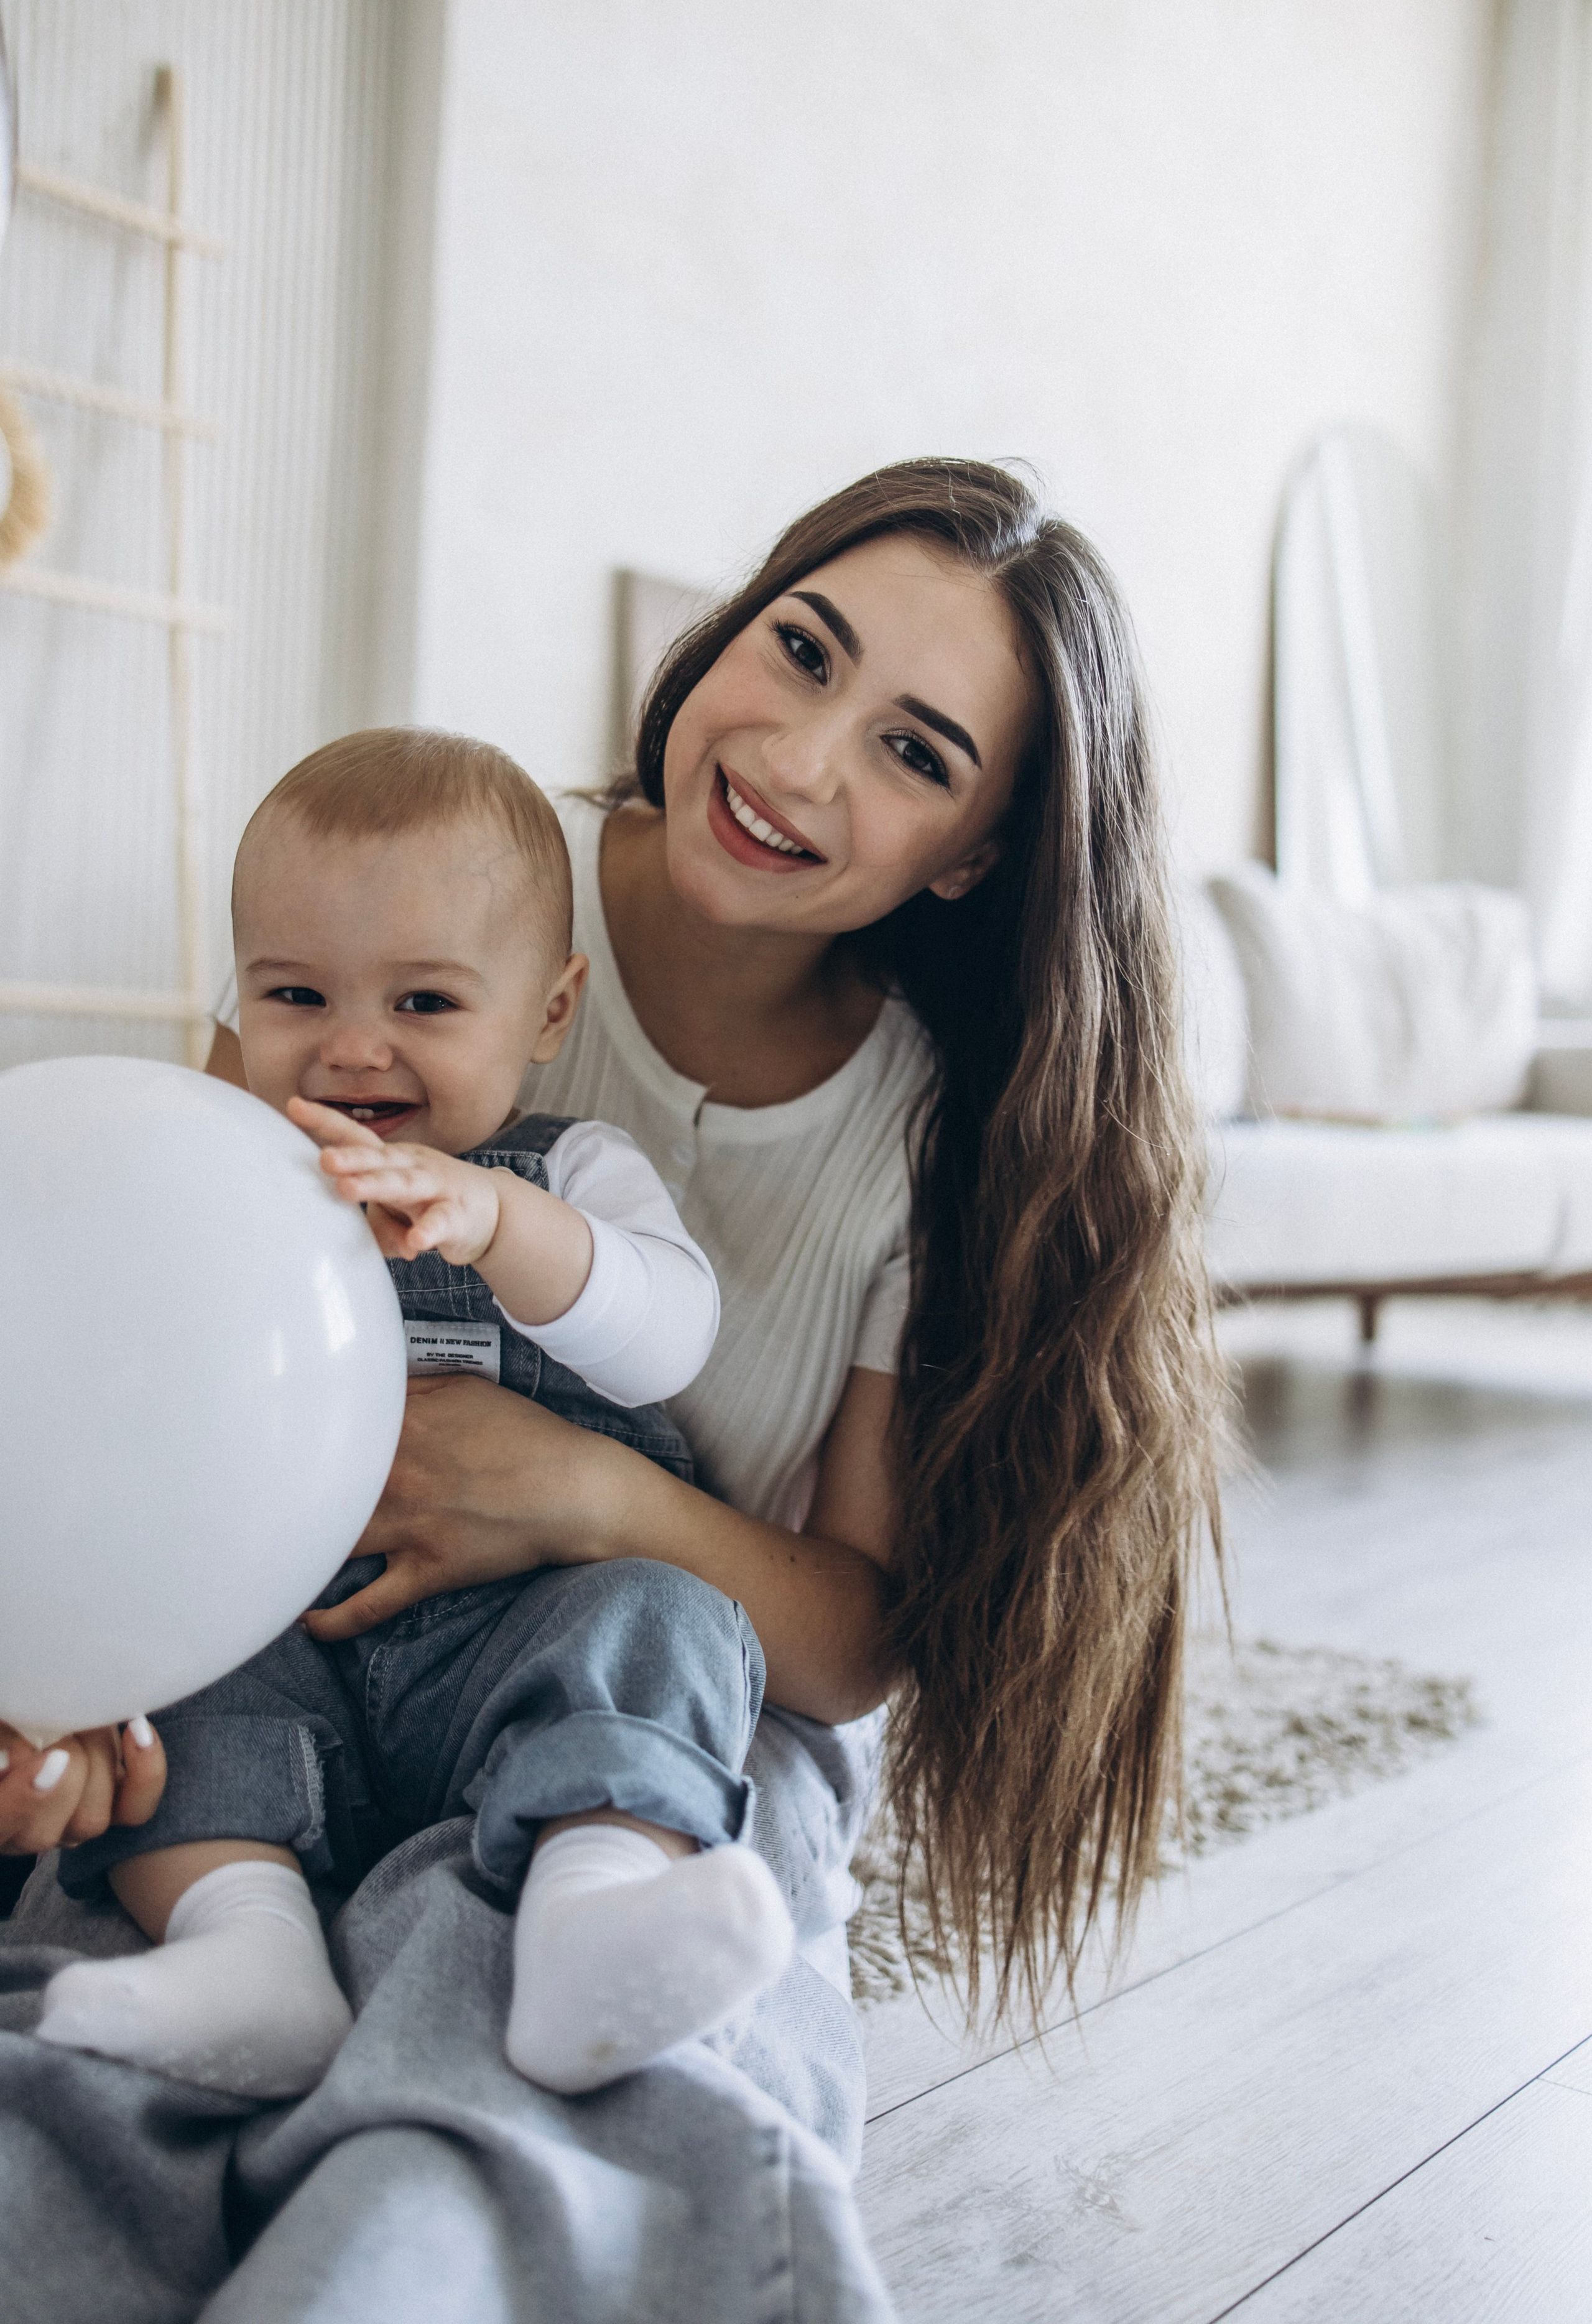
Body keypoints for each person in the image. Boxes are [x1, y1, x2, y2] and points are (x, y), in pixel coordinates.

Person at [0, 459, 1221, 2322]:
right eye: (798, 651)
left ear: (974, 848)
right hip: (293, 1611)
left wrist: (576, 1495)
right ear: (724, 631)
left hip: (667, 1678)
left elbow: (845, 1651)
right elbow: (169, 1322)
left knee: (517, 2033)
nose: (800, 760)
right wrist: (85, 1682)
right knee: (100, 1998)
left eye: (912, 753)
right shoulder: (427, 885)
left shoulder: (940, 1128)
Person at [32, 729, 797, 2102]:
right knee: (170, 1695)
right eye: (296, 992)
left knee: (670, 1621)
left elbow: (665, 1334)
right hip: (284, 1627)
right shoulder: (227, 1170)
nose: (352, 1047)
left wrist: (505, 1223)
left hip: (514, 1638)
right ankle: (244, 1949)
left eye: (427, 1004)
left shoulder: (567, 1171)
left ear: (548, 1014)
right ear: (241, 996)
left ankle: (595, 1914)